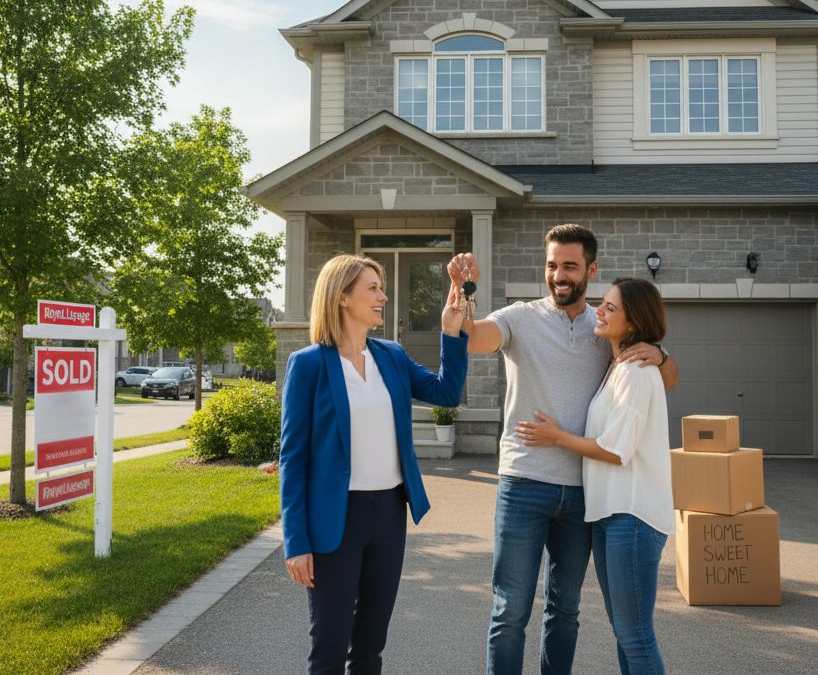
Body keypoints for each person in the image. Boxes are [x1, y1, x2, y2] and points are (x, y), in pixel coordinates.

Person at [448, 224, 678, 675]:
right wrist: (463, 297)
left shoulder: (604, 325)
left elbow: (662, 379)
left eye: (570, 266)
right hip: (524, 482)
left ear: (591, 269)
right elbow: (475, 338)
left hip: (580, 494)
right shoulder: (519, 317)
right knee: (509, 610)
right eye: (552, 265)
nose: (559, 275)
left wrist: (663, 356)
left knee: (565, 609)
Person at [279, 254, 469, 675]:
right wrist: (296, 541)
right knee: (327, 648)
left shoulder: (392, 356)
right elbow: (292, 459)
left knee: (369, 647)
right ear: (343, 297)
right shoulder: (308, 364)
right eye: (373, 288)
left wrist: (451, 332)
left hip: (388, 514)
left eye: (381, 288)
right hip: (335, 519)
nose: (383, 296)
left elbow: (447, 393)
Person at [516, 277, 674, 675]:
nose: (598, 312)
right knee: (626, 633)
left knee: (636, 636)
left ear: (633, 322)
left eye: (610, 308)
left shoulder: (637, 372)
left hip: (632, 516)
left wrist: (556, 437)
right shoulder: (618, 366)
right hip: (609, 515)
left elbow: (615, 450)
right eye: (602, 303)